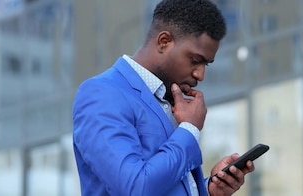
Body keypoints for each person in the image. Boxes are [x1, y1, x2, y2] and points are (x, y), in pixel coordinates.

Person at [72, 0, 254, 195]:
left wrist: (209, 190)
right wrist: (189, 130)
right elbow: (135, 188)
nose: (200, 75)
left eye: (206, 65)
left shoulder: (168, 101)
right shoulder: (102, 94)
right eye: (195, 60)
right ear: (164, 41)